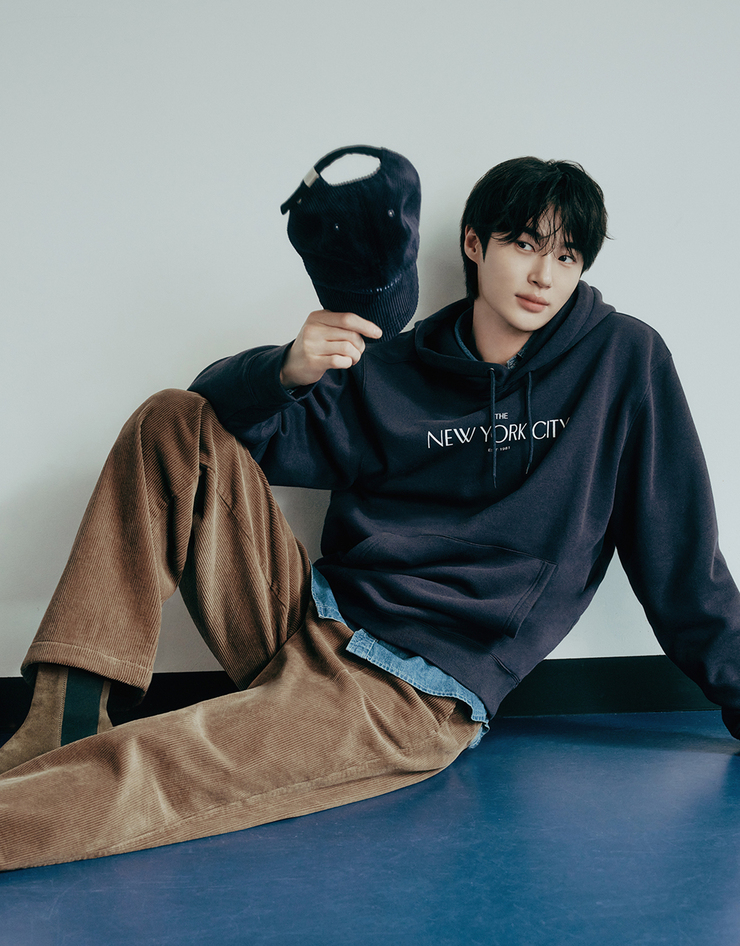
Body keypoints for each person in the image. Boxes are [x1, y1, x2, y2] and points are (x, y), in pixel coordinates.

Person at [2, 156, 739, 873]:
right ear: (474, 244)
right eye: (524, 244)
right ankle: (62, 714)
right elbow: (224, 432)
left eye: (567, 256)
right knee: (171, 418)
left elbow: (682, 560)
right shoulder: (395, 361)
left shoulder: (622, 359)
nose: (545, 275)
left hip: (409, 688)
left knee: (161, 764)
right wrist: (288, 367)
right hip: (306, 617)